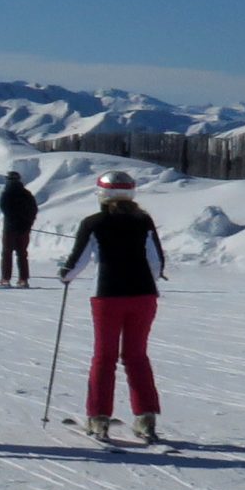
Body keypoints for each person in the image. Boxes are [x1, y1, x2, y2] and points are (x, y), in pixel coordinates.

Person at [59, 170, 167, 441]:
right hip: (144, 296)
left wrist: (65, 274)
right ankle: (145, 418)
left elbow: (77, 262)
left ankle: (98, 418)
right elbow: (156, 262)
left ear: (102, 194)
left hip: (107, 297)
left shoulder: (93, 223)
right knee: (136, 356)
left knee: (104, 357)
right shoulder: (144, 220)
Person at [0, 169, 39, 287]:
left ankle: (5, 278)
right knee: (22, 254)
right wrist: (28, 223)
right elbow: (33, 210)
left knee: (7, 253)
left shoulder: (6, 193)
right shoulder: (27, 194)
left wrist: (16, 222)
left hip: (10, 228)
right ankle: (23, 279)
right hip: (24, 228)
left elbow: (5, 210)